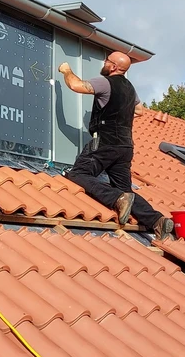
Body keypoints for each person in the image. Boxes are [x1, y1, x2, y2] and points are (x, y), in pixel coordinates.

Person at [58, 52, 174, 241]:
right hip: (125, 146)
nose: (104, 63)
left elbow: (75, 85)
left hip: (106, 141)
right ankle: (157, 221)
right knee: (126, 189)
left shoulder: (106, 82)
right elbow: (139, 110)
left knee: (78, 174)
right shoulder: (130, 88)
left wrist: (66, 70)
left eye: (107, 61)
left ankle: (116, 198)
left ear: (113, 67)